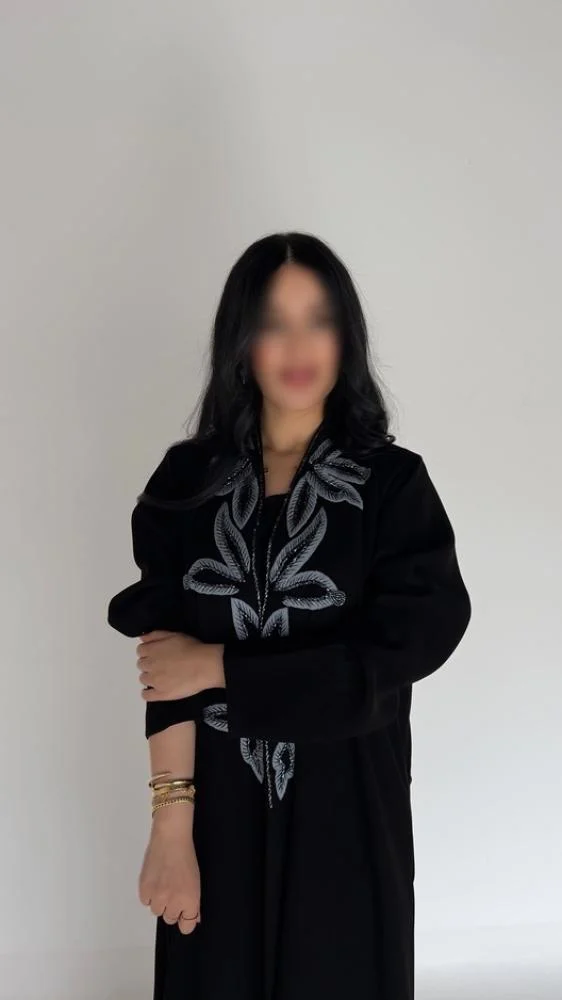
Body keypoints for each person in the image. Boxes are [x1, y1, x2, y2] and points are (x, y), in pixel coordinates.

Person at [107, 231, 472, 1000]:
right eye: (275, 322)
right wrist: (170, 829)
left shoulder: (391, 487)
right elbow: (164, 671)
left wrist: (220, 668)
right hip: (217, 821)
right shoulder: (188, 483)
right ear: (242, 341)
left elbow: (386, 663)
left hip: (350, 819)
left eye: (319, 320)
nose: (299, 346)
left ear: (346, 338)